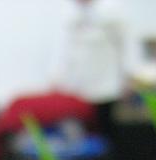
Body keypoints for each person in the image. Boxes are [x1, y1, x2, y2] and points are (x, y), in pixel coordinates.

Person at [54, 0, 128, 140]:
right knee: (79, 137)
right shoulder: (70, 14)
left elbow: (124, 48)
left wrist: (126, 79)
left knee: (105, 136)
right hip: (77, 90)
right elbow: (64, 52)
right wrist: (58, 78)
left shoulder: (111, 11)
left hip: (106, 89)